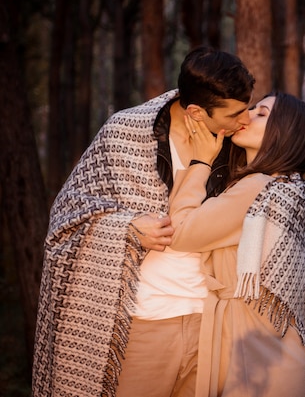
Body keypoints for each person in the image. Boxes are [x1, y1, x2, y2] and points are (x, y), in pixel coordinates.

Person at [32, 47, 255, 397]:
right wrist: (128, 227)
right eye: (236, 113)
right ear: (196, 111)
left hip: (211, 323)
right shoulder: (126, 132)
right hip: (142, 324)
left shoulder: (238, 144)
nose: (245, 120)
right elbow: (67, 217)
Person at [167, 92, 305, 397]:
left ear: (284, 131)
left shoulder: (256, 189)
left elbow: (179, 232)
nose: (246, 116)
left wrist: (200, 162)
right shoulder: (288, 189)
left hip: (254, 353)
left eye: (261, 114)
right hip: (274, 347)